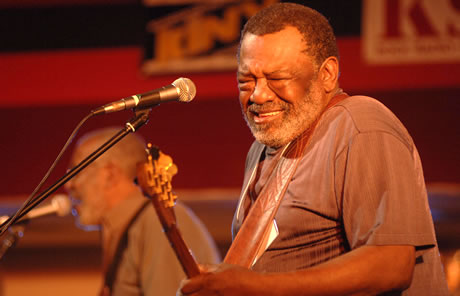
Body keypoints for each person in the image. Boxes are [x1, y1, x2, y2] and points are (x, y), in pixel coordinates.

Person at [179, 3, 449, 295]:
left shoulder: (360, 124)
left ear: (327, 74)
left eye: (276, 78)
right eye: (246, 80)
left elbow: (391, 263)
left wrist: (255, 286)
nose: (257, 94)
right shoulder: (260, 150)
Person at [65, 127, 221, 296]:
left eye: (75, 172)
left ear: (109, 174)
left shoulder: (159, 222)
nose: (69, 185)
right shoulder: (128, 226)